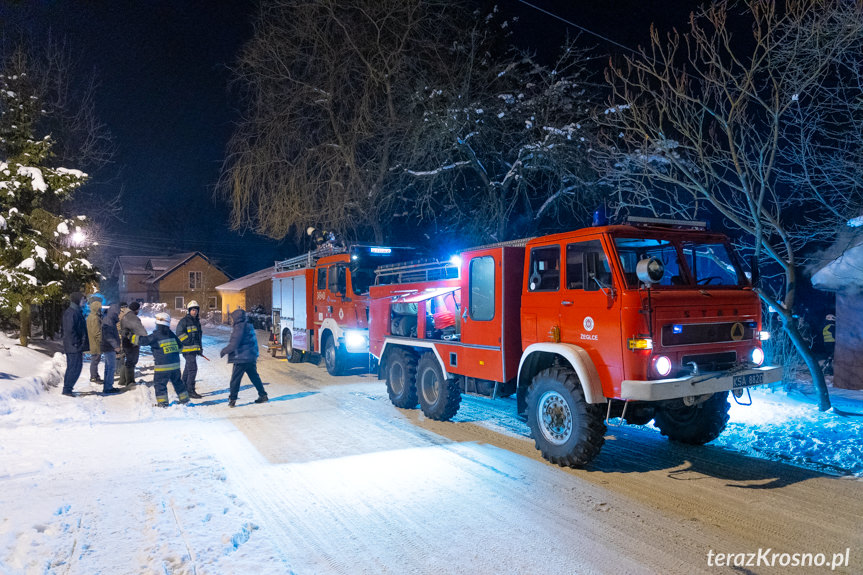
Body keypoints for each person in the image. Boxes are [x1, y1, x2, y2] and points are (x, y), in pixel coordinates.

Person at [131, 312, 190, 407]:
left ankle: (163, 403)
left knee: (160, 384)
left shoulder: (156, 335)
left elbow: (142, 341)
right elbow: (180, 347)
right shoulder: (172, 335)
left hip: (162, 367)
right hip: (175, 366)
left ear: (158, 324)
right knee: (178, 382)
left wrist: (130, 336)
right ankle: (185, 400)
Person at [220, 308, 268, 408]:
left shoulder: (239, 327)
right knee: (254, 377)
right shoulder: (248, 325)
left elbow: (234, 343)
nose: (232, 320)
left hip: (241, 358)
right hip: (251, 356)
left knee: (235, 379)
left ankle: (232, 399)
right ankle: (263, 395)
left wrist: (225, 350)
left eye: (233, 318)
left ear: (236, 318)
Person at [61, 292, 89, 397]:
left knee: (75, 367)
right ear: (77, 300)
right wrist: (77, 344)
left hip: (75, 346)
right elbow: (70, 331)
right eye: (82, 299)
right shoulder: (71, 313)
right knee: (74, 367)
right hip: (73, 346)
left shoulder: (76, 311)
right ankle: (67, 389)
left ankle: (68, 389)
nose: (84, 301)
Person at [176, 300, 203, 398]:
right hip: (187, 350)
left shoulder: (197, 322)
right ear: (189, 311)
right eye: (192, 310)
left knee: (188, 368)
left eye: (196, 310)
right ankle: (190, 390)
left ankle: (183, 387)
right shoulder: (184, 321)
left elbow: (198, 337)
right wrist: (189, 341)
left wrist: (200, 348)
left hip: (193, 350)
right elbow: (179, 334)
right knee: (193, 369)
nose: (194, 312)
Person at [119, 301, 147, 386]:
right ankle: (130, 382)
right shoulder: (132, 317)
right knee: (131, 361)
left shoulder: (126, 315)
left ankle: (123, 380)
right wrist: (146, 337)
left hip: (125, 340)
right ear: (135, 309)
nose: (138, 311)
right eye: (138, 309)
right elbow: (139, 329)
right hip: (132, 342)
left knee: (127, 360)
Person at [99, 303, 123, 394]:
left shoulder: (109, 319)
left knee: (108, 367)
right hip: (108, 347)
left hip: (108, 347)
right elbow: (108, 335)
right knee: (111, 367)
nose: (119, 313)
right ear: (115, 311)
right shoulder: (108, 321)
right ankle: (108, 387)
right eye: (118, 311)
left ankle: (107, 386)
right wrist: (116, 346)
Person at [86, 297, 103, 383]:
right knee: (95, 360)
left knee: (95, 359)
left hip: (93, 341)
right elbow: (97, 332)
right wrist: (102, 340)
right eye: (100, 308)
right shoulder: (95, 318)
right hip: (95, 343)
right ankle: (93, 376)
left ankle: (95, 375)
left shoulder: (91, 316)